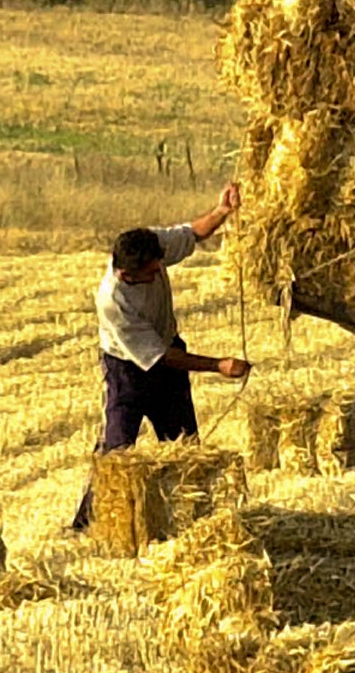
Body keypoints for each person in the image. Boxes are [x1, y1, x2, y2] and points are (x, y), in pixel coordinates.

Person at [73, 184, 249, 530]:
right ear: (127, 274)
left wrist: (222, 212)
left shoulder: (151, 244)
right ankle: (88, 525)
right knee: (117, 451)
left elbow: (191, 235)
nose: (159, 273)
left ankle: (196, 522)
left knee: (185, 445)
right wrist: (218, 366)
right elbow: (159, 357)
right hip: (127, 371)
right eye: (152, 272)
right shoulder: (114, 301)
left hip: (168, 351)